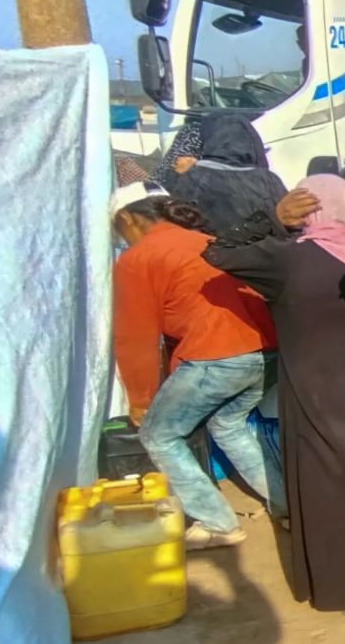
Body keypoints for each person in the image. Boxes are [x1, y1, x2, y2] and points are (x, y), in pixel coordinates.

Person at [203, 174, 345, 612]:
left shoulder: (286, 260)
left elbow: (218, 251)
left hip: (319, 396)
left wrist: (273, 219)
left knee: (331, 490)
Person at [111, 185, 283, 548]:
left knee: (158, 435)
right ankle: (287, 506)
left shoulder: (138, 257)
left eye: (119, 231)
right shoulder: (208, 240)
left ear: (127, 218)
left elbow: (135, 335)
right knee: (229, 425)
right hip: (265, 351)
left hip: (217, 355)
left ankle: (218, 524)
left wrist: (140, 398)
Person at [165, 115, 289, 237]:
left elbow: (176, 218)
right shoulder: (269, 179)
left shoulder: (195, 176)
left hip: (212, 247)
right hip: (266, 246)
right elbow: (289, 218)